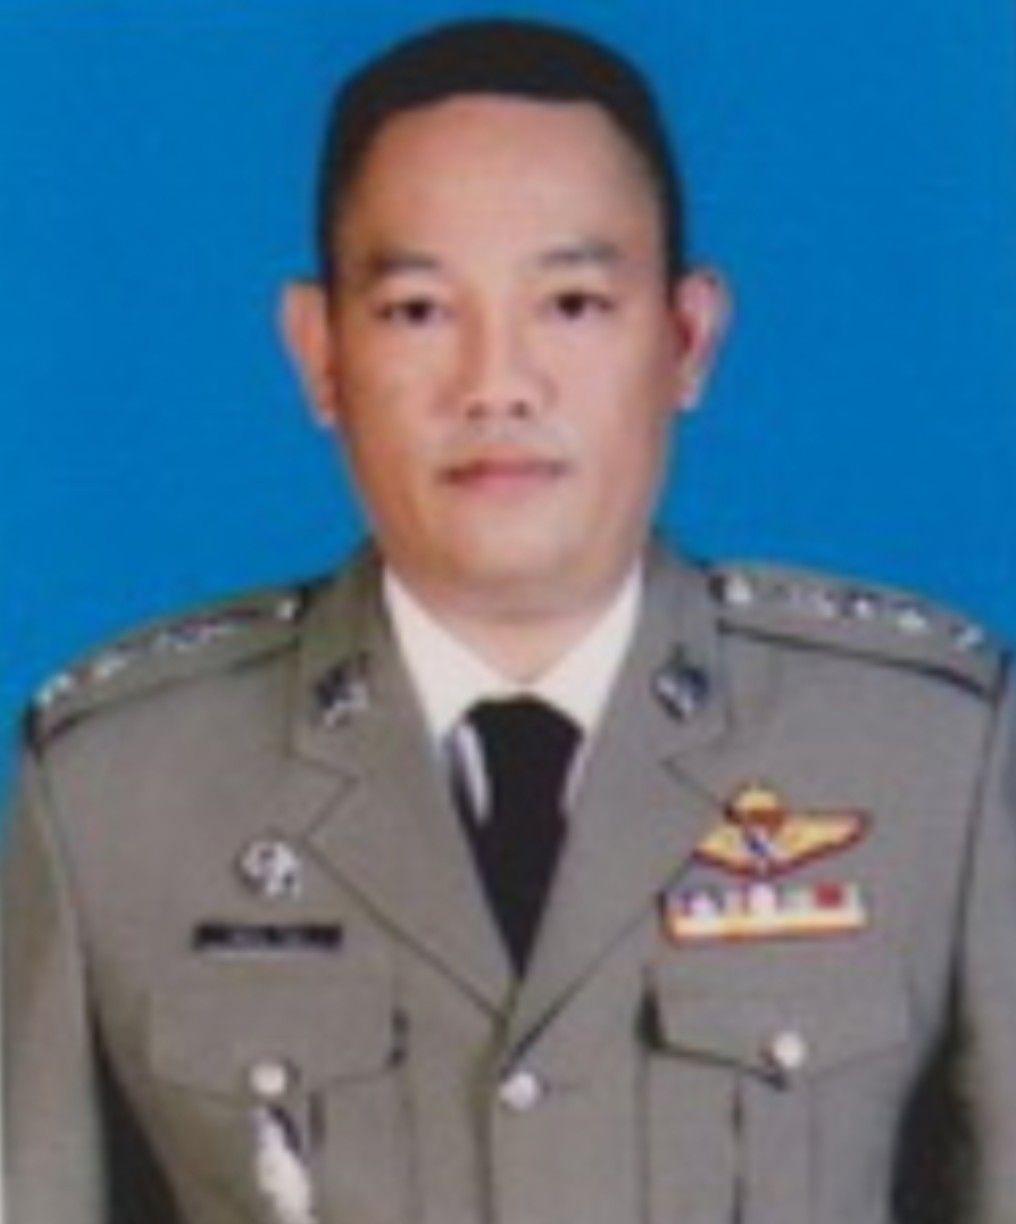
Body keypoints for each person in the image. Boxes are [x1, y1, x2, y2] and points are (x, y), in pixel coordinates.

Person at [3, 16, 1015, 1224]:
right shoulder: (120, 792)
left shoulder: (929, 761)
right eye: (418, 310)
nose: (496, 384)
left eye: (571, 303)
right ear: (319, 353)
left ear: (685, 339)